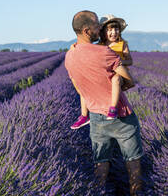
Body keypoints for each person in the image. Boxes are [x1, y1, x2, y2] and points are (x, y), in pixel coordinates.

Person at [65, 10, 144, 195]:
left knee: (101, 164)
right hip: (121, 116)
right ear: (86, 30)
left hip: (95, 117)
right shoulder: (104, 52)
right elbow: (128, 77)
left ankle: (98, 192)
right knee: (133, 163)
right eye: (96, 25)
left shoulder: (70, 56)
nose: (99, 28)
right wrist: (125, 84)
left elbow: (79, 89)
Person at [70, 14, 134, 129]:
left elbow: (129, 61)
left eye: (116, 29)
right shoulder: (100, 46)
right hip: (105, 76)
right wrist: (74, 46)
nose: (113, 32)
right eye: (109, 30)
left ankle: (113, 109)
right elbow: (87, 49)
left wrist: (117, 63)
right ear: (102, 32)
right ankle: (84, 115)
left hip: (119, 75)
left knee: (116, 79)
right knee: (85, 85)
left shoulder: (122, 44)